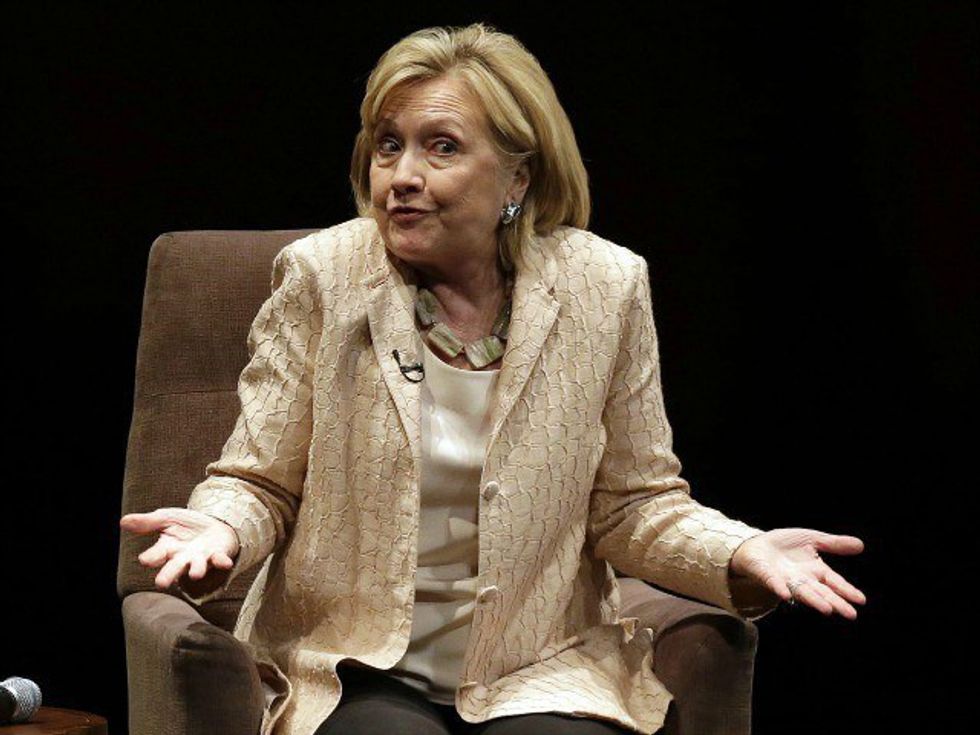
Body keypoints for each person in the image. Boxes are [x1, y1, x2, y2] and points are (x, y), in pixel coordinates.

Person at [120, 22, 866, 735]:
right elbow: (260, 480)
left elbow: (634, 504)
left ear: (518, 175)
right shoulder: (323, 277)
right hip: (355, 661)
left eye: (441, 147)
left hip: (536, 665)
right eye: (388, 146)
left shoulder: (605, 287)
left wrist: (739, 551)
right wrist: (222, 525)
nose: (402, 177)